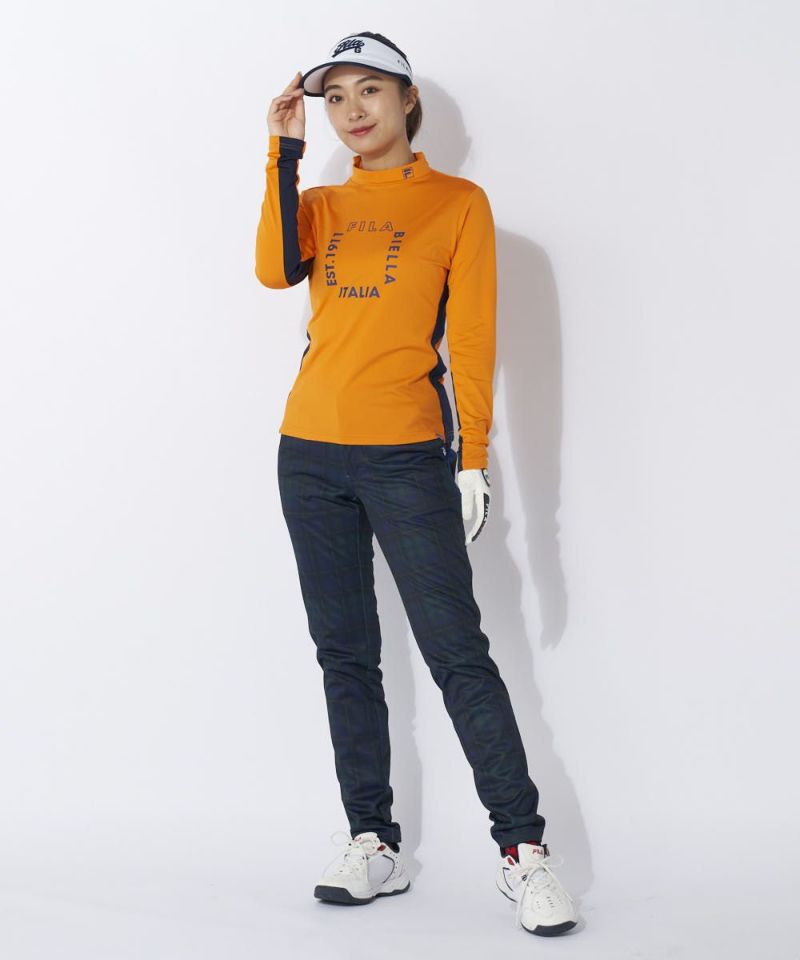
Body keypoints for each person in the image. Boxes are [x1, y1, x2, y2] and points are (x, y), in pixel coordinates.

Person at [255, 31, 579, 937]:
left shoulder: (457, 204)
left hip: (405, 455)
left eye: (370, 90)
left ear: (407, 101)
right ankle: (373, 839)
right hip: (308, 453)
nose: (350, 111)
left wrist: (472, 456)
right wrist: (282, 153)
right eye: (334, 98)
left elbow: (472, 341)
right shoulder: (319, 202)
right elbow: (275, 269)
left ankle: (524, 852)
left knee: (457, 655)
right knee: (345, 654)